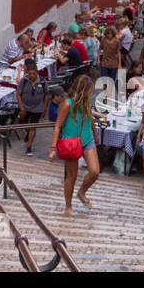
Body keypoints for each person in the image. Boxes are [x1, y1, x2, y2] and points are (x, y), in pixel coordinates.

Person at [48, 74, 105, 214]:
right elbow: (57, 126)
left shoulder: (85, 100)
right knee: (71, 176)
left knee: (95, 171)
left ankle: (81, 192)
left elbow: (88, 117)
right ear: (84, 90)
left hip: (87, 139)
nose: (91, 91)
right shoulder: (67, 104)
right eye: (90, 88)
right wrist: (53, 148)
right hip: (71, 142)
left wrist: (95, 133)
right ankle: (68, 206)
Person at [16, 58, 50, 156]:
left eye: (33, 74)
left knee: (33, 127)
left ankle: (29, 147)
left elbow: (47, 95)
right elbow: (18, 94)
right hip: (25, 107)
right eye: (30, 74)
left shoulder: (43, 82)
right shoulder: (24, 81)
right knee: (23, 123)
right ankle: (28, 132)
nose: (31, 76)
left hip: (37, 107)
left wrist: (44, 108)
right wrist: (21, 107)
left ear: (37, 73)